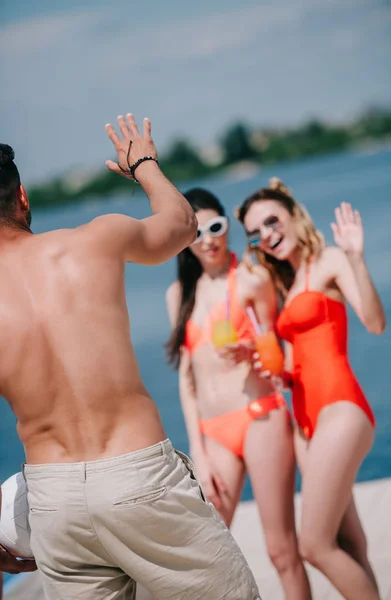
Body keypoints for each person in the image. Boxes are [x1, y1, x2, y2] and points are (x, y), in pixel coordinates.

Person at [0, 115, 262, 600]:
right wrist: (144, 165)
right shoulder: (92, 242)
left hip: (53, 503)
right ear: (23, 198)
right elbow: (183, 224)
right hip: (137, 479)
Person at [235, 177, 386, 600]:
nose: (266, 235)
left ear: (294, 216)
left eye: (272, 221)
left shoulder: (331, 261)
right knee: (349, 542)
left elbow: (375, 323)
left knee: (315, 545)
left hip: (341, 409)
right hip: (305, 420)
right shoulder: (285, 281)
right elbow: (293, 367)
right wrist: (267, 368)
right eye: (256, 232)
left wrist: (357, 259)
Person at [165, 188, 311, 600]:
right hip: (213, 433)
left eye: (216, 227)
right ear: (184, 238)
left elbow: (278, 351)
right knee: (208, 549)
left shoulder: (250, 278)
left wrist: (253, 350)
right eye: (197, 232)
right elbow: (187, 380)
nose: (208, 239)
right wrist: (198, 448)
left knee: (281, 549)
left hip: (260, 415)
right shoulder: (178, 296)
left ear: (228, 225)